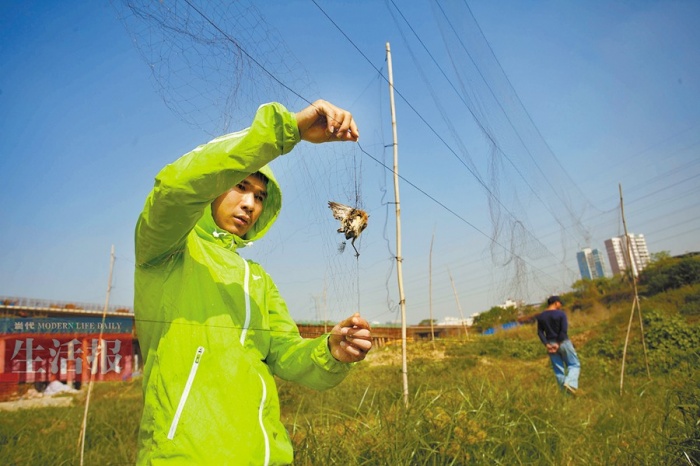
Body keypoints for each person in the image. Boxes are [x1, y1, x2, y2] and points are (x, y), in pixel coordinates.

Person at [134, 100, 373, 464]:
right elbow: (175, 190)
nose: (249, 204)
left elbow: (286, 354)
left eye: (259, 196)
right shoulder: (167, 249)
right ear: (213, 187)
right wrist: (284, 131)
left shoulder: (257, 279)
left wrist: (331, 351)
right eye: (239, 187)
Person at [536, 295, 580, 395]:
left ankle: (566, 396)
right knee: (574, 364)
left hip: (550, 344)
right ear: (556, 303)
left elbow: (540, 332)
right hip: (563, 343)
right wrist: (558, 343)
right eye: (560, 303)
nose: (560, 305)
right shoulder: (561, 314)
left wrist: (546, 344)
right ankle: (570, 383)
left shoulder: (541, 316)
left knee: (558, 370)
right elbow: (563, 331)